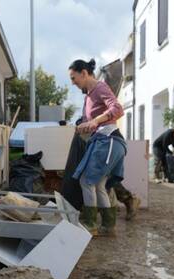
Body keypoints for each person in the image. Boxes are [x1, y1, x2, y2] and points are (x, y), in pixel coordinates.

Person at [66, 59, 127, 237]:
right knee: (99, 185)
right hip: (102, 141)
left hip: (108, 140)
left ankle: (90, 223)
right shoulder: (88, 97)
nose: (73, 83)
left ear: (84, 73)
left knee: (87, 181)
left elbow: (117, 109)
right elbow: (88, 121)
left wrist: (95, 121)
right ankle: (108, 226)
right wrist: (82, 125)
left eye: (73, 78)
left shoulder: (100, 88)